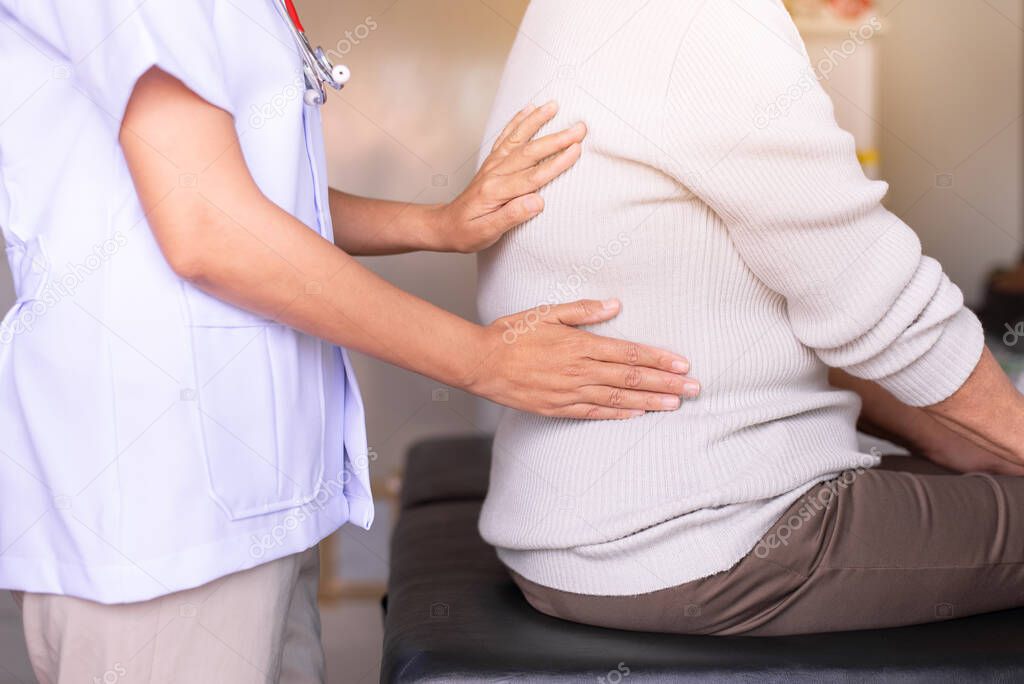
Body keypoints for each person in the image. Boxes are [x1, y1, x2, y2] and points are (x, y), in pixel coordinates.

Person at [0, 1, 698, 681]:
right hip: (161, 503)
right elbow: (210, 227)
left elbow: (250, 190)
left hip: (257, 492)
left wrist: (437, 225)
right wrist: (482, 360)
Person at [477, 0, 1024, 636]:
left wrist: (949, 435)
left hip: (578, 536)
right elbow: (874, 297)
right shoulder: (706, 20)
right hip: (708, 540)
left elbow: (755, 313)